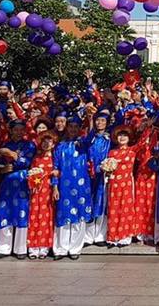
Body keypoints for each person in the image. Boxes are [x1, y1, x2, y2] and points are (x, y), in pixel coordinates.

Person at [0, 120, 36, 259]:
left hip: (22, 181)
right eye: (16, 129)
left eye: (21, 129)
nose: (18, 132)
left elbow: (26, 162)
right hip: (7, 182)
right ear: (11, 131)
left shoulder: (29, 145)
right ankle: (2, 247)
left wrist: (12, 154)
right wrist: (1, 168)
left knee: (21, 213)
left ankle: (20, 248)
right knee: (4, 212)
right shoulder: (5, 144)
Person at [52, 119, 93, 260]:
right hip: (64, 186)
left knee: (79, 215)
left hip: (82, 186)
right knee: (63, 216)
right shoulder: (60, 147)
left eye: (76, 127)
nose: (73, 129)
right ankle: (60, 249)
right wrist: (55, 187)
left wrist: (91, 117)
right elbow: (55, 168)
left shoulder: (83, 145)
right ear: (66, 128)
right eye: (71, 126)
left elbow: (91, 135)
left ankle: (75, 248)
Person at [105, 126, 139, 247]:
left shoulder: (132, 151)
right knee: (113, 207)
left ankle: (125, 236)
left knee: (126, 208)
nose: (122, 137)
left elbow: (144, 142)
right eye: (120, 135)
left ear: (129, 138)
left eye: (125, 135)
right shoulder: (112, 152)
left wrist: (146, 127)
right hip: (114, 183)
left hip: (127, 183)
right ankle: (113, 236)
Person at [27, 130, 57, 259]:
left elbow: (57, 174)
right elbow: (31, 174)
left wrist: (55, 185)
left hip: (48, 191)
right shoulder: (36, 158)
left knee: (46, 217)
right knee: (34, 216)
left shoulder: (55, 158)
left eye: (49, 141)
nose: (46, 144)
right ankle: (33, 246)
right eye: (44, 141)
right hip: (36, 191)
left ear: (54, 143)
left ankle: (44, 246)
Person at [84, 110, 111, 246]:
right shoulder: (90, 137)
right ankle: (88, 236)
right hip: (89, 174)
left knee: (102, 203)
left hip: (103, 174)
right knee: (89, 202)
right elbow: (85, 145)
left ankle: (100, 235)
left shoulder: (109, 139)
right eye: (97, 120)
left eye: (103, 121)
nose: (99, 123)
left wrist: (107, 167)